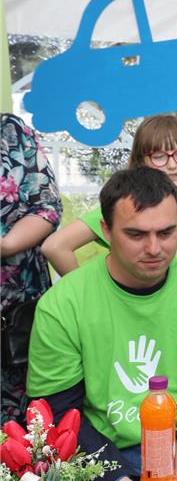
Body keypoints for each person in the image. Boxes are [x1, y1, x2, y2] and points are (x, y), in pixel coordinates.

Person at [27, 167, 177, 479]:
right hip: (97, 447)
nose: (154, 249)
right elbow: (59, 412)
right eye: (136, 234)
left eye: (166, 233)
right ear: (106, 231)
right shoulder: (62, 304)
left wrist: (173, 476)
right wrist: (119, 476)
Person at [42, 115, 177, 274]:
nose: (172, 165)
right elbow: (55, 246)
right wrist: (85, 294)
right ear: (141, 160)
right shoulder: (128, 206)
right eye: (159, 157)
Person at [1, 113, 62, 424]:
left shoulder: (11, 131)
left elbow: (48, 207)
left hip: (18, 312)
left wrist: (6, 245)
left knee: (28, 428)